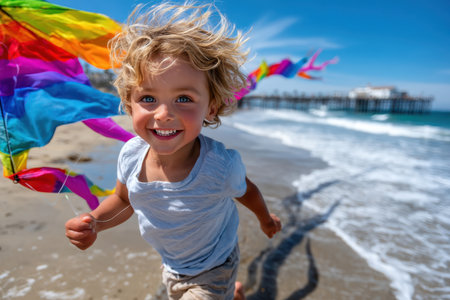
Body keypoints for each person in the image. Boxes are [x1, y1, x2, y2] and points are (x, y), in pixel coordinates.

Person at [65, 2, 281, 299]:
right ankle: (236, 294)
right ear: (129, 103)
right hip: (173, 264)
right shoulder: (130, 155)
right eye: (148, 98)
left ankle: (229, 290)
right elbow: (123, 199)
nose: (164, 114)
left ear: (211, 107)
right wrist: (95, 224)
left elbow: (247, 192)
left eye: (183, 98)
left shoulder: (219, 166)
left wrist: (266, 220)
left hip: (215, 265)